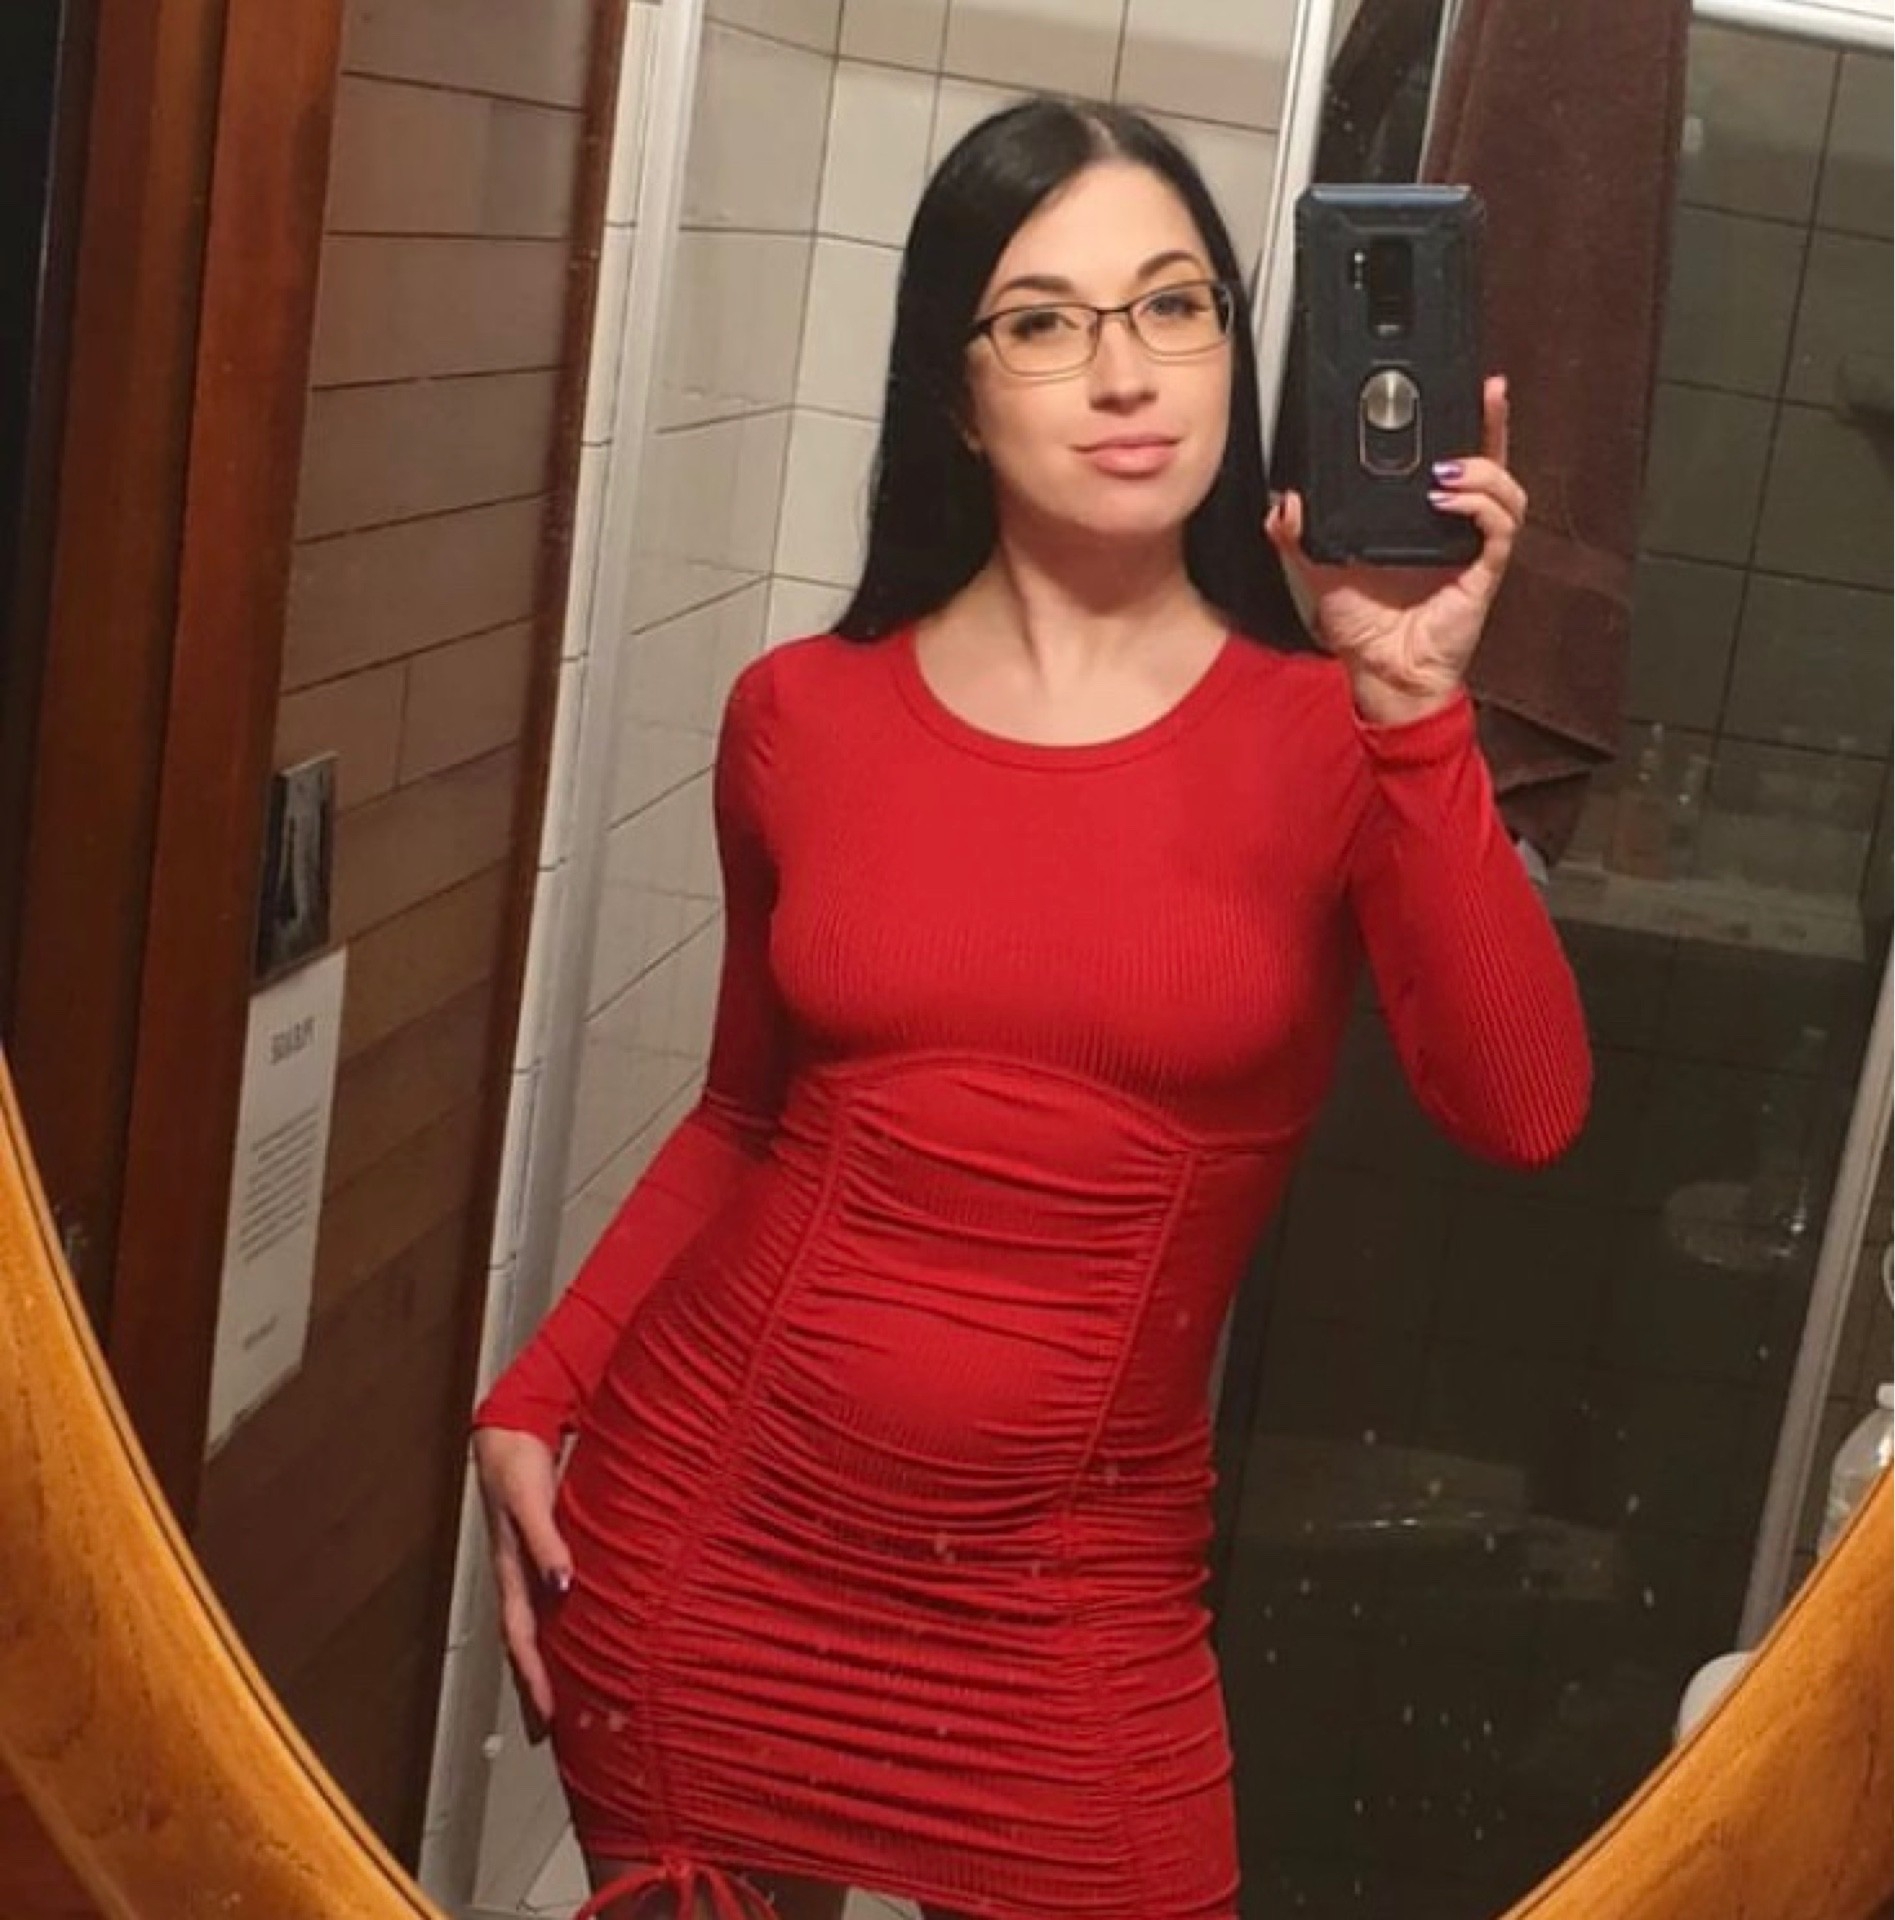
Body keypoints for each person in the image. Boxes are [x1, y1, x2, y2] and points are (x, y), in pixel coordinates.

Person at [471, 94, 1592, 1920]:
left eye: (1174, 305)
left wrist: (1413, 710)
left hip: (1075, 1617)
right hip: (711, 1551)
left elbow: (1522, 1108)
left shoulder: (1342, 730)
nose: (1126, 371)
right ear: (955, 384)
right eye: (1045, 320)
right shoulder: (801, 715)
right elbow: (745, 1116)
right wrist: (536, 1388)